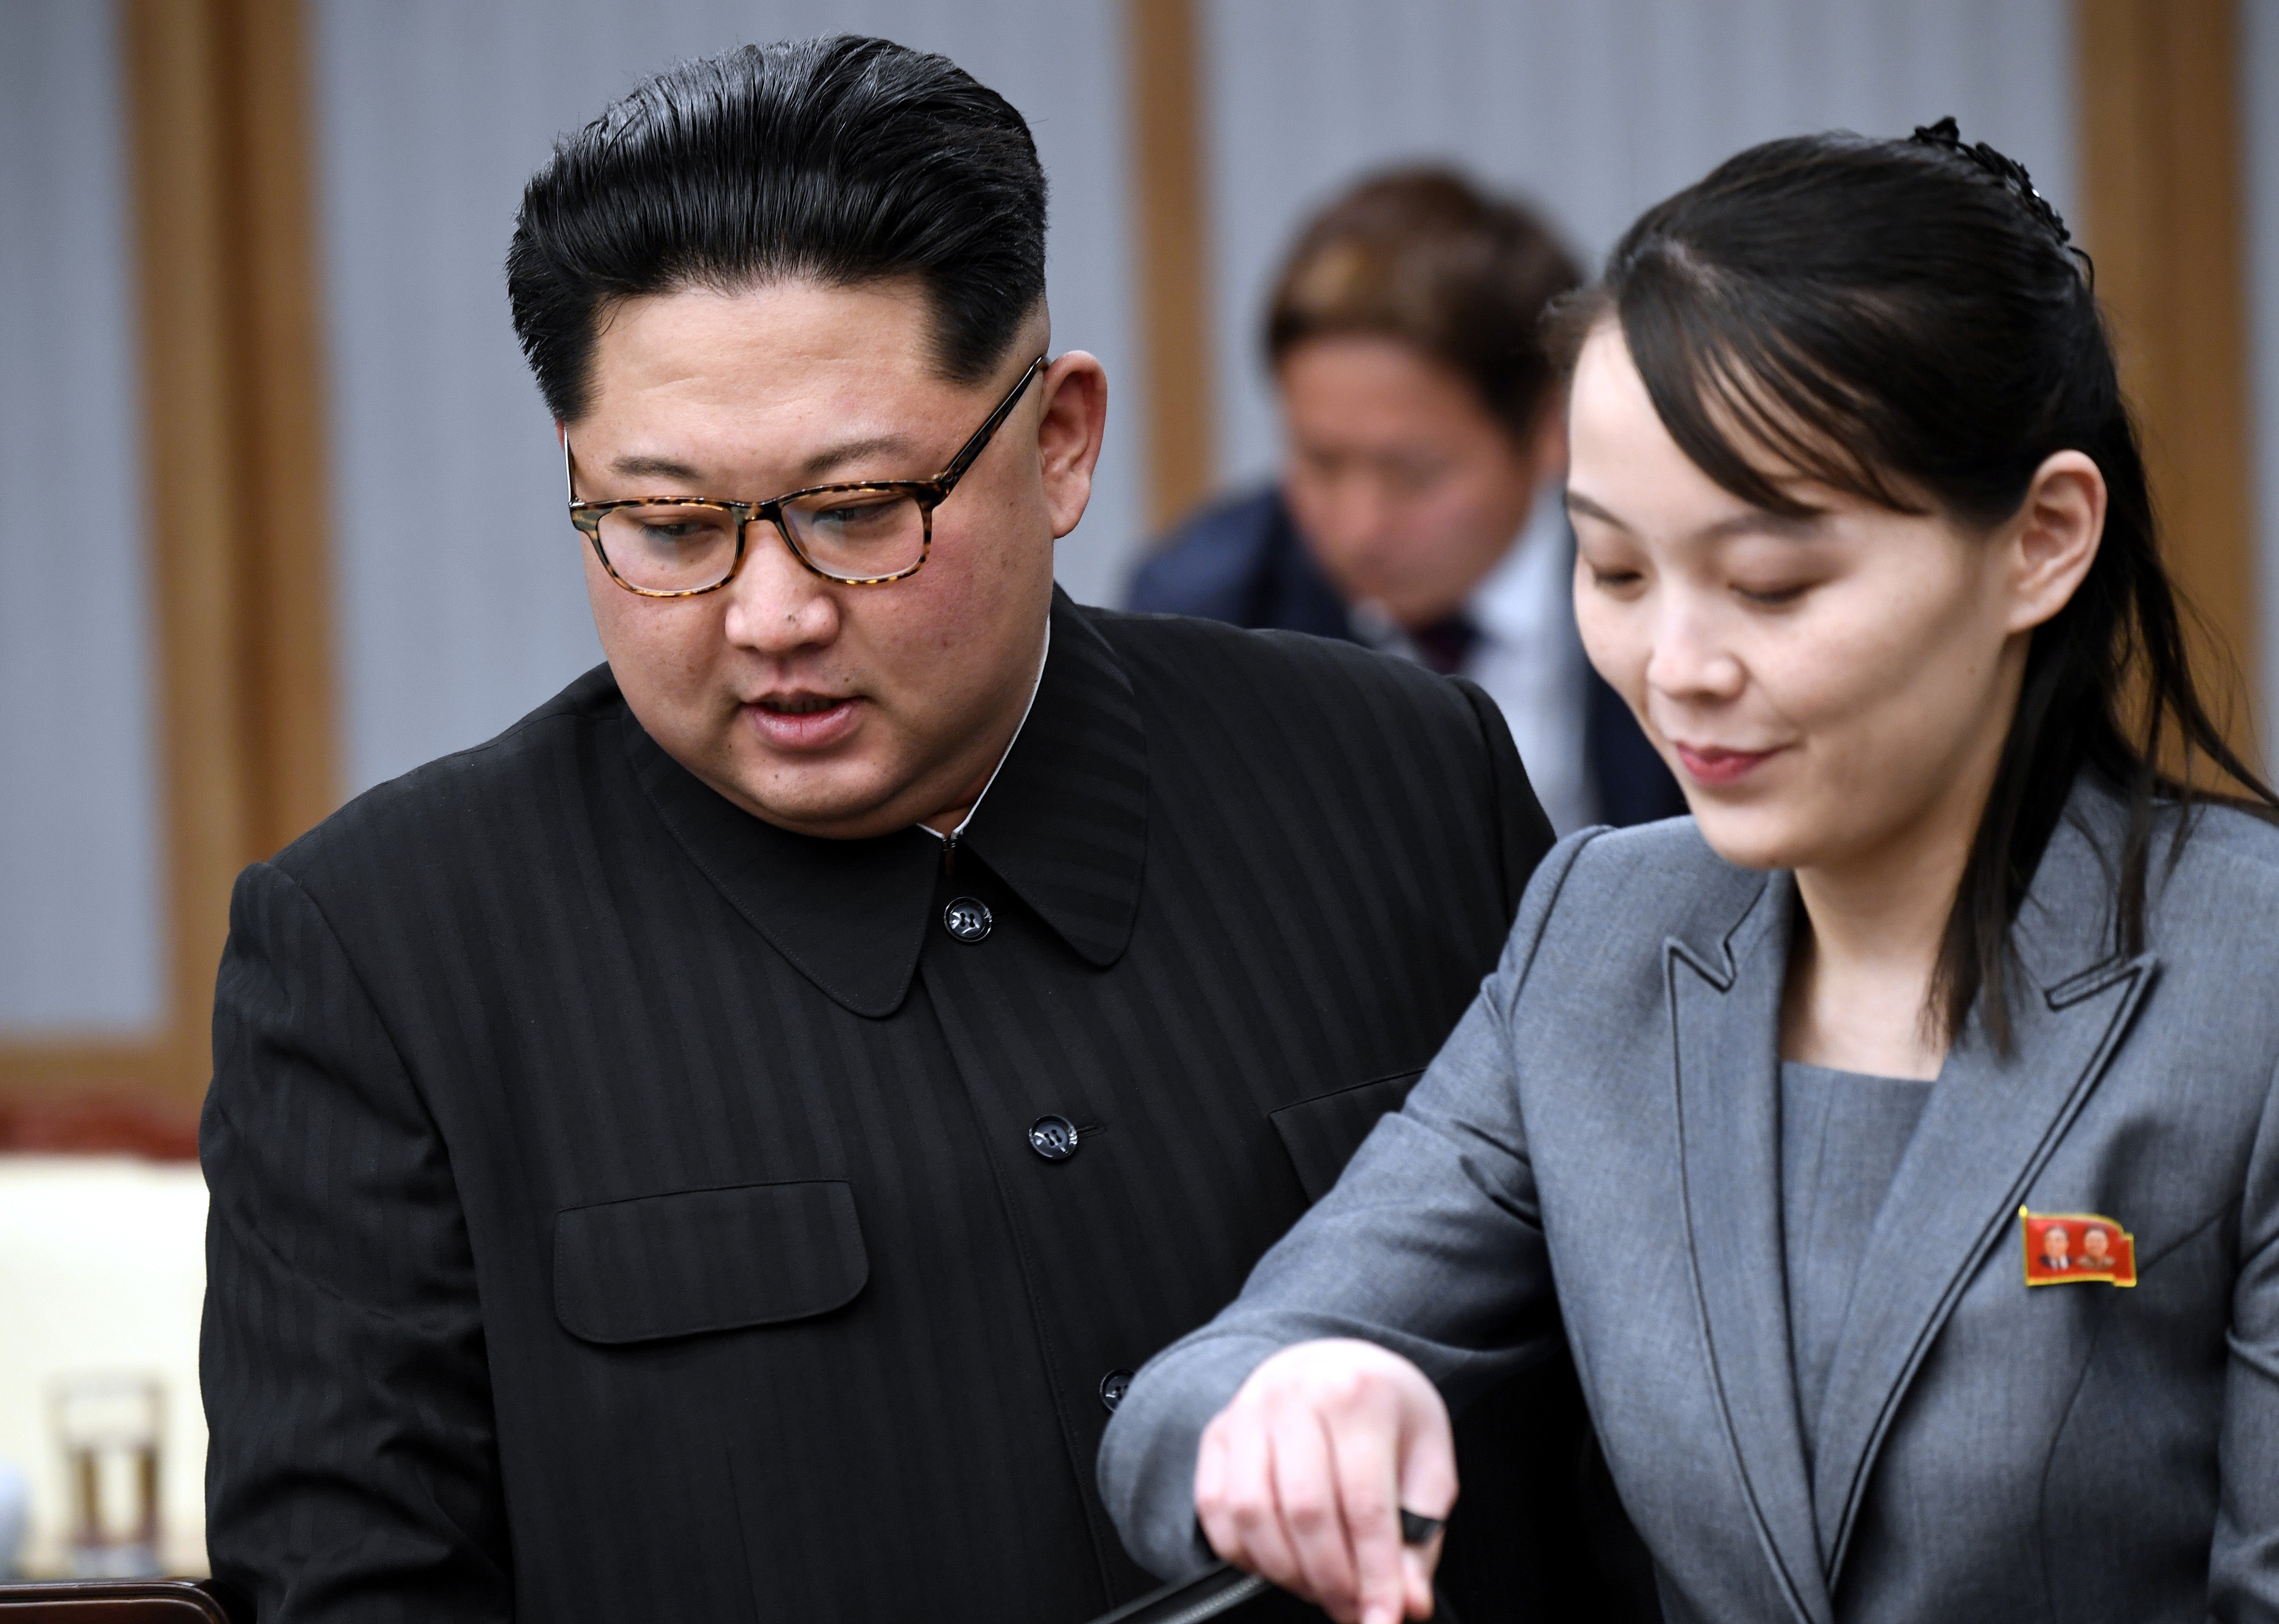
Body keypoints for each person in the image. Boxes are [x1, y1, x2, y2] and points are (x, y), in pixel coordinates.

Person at [197, 35, 1625, 1623]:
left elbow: (1625, 1430)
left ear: (1059, 442)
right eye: (667, 528)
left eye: (862, 509)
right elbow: (356, 1588)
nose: (772, 612)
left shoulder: (1396, 778)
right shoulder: (386, 951)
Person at [1101, 121, 2279, 1624]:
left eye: (1772, 584)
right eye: (1610, 571)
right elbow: (1189, 1403)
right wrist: (1288, 1398)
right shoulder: (1604, 930)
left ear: (2038, 541)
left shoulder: (2239, 980)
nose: (1673, 668)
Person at [1129, 168, 1683, 834]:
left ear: (1549, 430)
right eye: (1321, 463)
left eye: (1413, 474)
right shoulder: (1206, 616)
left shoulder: (1677, 585)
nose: (1359, 529)